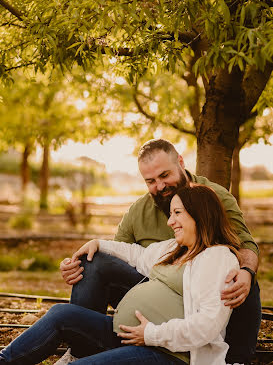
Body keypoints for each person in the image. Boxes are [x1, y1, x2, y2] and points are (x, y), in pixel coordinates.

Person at [60, 139, 261, 364]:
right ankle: (81, 348)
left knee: (245, 281)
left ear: (181, 163)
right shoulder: (138, 211)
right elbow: (116, 257)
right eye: (151, 181)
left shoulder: (214, 196)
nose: (160, 186)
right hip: (155, 287)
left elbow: (246, 245)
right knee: (94, 261)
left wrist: (245, 271)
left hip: (202, 293)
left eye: (165, 175)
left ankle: (236, 358)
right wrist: (78, 264)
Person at [0, 185, 241, 365]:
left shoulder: (217, 257)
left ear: (200, 214)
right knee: (60, 314)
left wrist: (151, 334)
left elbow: (207, 326)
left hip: (170, 354)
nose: (170, 222)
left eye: (177, 213)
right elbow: (135, 254)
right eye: (170, 214)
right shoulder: (174, 248)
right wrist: (98, 243)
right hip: (128, 336)